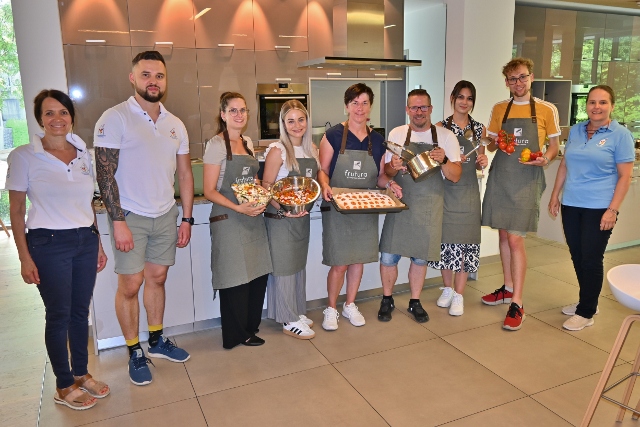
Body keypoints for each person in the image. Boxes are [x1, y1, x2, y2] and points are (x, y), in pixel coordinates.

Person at [94, 51, 194, 386]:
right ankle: (134, 350)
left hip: (165, 213)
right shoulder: (115, 117)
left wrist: (187, 218)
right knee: (130, 284)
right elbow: (105, 175)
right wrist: (118, 221)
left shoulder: (175, 123)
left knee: (158, 278)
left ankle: (156, 339)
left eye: (159, 76)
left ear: (165, 80)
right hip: (130, 215)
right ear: (133, 78)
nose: (153, 81)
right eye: (146, 74)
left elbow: (184, 174)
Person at [6, 89, 109, 410]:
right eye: (49, 113)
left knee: (80, 312)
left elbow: (88, 203)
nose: (57, 119)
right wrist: (24, 257)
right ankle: (63, 385)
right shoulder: (24, 156)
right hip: (48, 243)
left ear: (71, 117)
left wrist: (98, 242)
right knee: (59, 315)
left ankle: (81, 373)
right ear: (40, 119)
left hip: (85, 240)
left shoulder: (83, 154)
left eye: (63, 112)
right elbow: (16, 210)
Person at [481, 57, 560, 331]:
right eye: (513, 79)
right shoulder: (499, 108)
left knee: (515, 239)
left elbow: (554, 145)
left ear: (531, 77)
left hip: (527, 180)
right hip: (502, 177)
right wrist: (491, 140)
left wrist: (545, 159)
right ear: (506, 82)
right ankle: (507, 287)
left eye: (523, 77)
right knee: (504, 234)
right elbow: (491, 146)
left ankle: (518, 303)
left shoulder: (547, 109)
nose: (518, 83)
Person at [548, 85, 634, 331]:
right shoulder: (576, 130)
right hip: (571, 203)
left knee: (591, 258)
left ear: (612, 106)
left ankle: (586, 312)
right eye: (592, 102)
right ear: (586, 106)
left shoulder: (620, 135)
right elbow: (564, 164)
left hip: (599, 206)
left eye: (603, 102)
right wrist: (555, 195)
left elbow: (625, 177)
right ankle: (588, 301)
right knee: (577, 255)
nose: (597, 107)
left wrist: (612, 210)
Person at [376, 89, 462, 323]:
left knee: (420, 259)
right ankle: (387, 299)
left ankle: (415, 301)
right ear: (407, 110)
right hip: (401, 204)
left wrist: (444, 160)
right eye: (414, 107)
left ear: (431, 109)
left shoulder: (445, 137)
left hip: (428, 205)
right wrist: (393, 165)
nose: (419, 112)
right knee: (388, 257)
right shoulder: (397, 133)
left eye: (424, 107)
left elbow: (455, 176)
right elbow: (386, 173)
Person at [203, 92, 272, 349]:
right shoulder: (216, 144)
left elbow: (252, 179)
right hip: (228, 218)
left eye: (243, 110)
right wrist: (237, 207)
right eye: (233, 110)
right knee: (235, 277)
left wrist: (262, 196)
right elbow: (209, 190)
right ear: (223, 114)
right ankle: (236, 334)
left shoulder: (248, 142)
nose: (239, 115)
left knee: (256, 273)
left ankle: (251, 327)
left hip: (251, 216)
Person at [318, 83, 386, 330]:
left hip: (364, 207)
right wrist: (324, 185)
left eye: (365, 103)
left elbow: (380, 176)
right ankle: (331, 308)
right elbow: (323, 170)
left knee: (358, 260)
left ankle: (350, 304)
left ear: (370, 107)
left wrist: (390, 184)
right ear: (347, 106)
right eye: (355, 103)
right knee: (340, 262)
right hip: (338, 207)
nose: (360, 108)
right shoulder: (333, 135)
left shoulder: (377, 140)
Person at [429, 81, 488, 316]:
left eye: (469, 98)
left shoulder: (479, 129)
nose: (465, 102)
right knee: (446, 243)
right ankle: (447, 288)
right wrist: (451, 160)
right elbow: (433, 160)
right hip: (446, 190)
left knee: (465, 243)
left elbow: (480, 160)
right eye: (461, 97)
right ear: (452, 98)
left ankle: (459, 294)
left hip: (469, 192)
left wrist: (482, 161)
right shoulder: (440, 128)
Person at [262, 100, 319, 339]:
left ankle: (296, 310)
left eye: (301, 119)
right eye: (291, 121)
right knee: (284, 267)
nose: (297, 125)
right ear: (283, 124)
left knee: (297, 265)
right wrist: (285, 209)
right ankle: (287, 319)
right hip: (281, 218)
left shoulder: (311, 149)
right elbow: (266, 185)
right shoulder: (278, 150)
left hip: (301, 217)